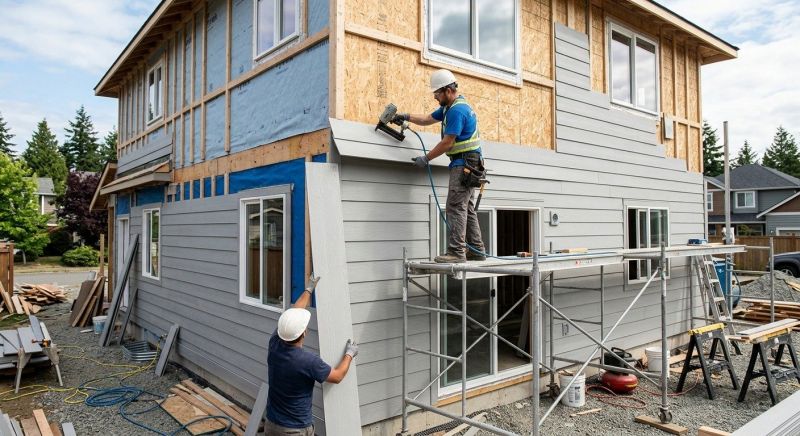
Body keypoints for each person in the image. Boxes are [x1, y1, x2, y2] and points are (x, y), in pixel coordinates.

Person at [394, 69, 486, 263]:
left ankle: (456, 252)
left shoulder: (457, 111)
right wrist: (406, 116)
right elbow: (428, 119)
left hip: (464, 164)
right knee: (466, 208)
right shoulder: (449, 108)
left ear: (447, 90)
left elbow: (448, 143)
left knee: (455, 207)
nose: (435, 96)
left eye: (437, 92)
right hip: (470, 163)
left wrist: (426, 159)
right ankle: (477, 249)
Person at [266, 275, 358, 435]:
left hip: (272, 424)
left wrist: (309, 289)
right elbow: (336, 376)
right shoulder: (307, 361)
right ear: (304, 333)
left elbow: (294, 313)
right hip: (294, 430)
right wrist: (349, 354)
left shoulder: (275, 343)